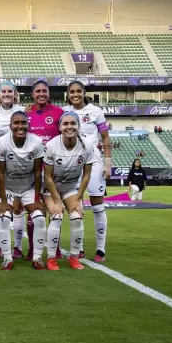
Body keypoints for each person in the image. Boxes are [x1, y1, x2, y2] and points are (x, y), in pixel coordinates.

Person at [65, 80, 112, 263]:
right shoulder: (65, 112)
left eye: (78, 91)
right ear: (68, 94)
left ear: (84, 92)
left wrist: (108, 162)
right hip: (72, 164)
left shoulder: (96, 111)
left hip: (94, 162)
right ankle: (80, 247)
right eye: (72, 92)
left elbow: (105, 137)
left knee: (97, 206)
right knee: (76, 204)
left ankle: (101, 249)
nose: (75, 94)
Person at [42, 111, 93, 271]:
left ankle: (74, 257)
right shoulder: (51, 145)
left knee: (77, 217)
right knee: (56, 217)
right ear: (59, 127)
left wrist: (78, 199)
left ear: (78, 126)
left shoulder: (87, 145)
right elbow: (48, 177)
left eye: (73, 123)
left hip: (71, 188)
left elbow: (86, 176)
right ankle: (51, 259)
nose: (69, 127)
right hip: (51, 189)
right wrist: (57, 201)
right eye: (65, 124)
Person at [0, 110, 44, 270]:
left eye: (23, 123)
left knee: (40, 219)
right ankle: (7, 258)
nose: (20, 126)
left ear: (28, 125)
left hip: (28, 188)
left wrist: (37, 199)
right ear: (10, 126)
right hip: (8, 188)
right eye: (16, 123)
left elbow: (38, 172)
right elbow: (0, 172)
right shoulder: (1, 142)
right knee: (4, 218)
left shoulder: (36, 142)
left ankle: (37, 258)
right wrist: (2, 200)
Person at [24, 80, 63, 261]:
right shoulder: (26, 113)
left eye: (44, 91)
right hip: (31, 169)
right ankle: (33, 249)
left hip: (52, 169)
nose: (41, 94)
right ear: (32, 94)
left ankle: (55, 249)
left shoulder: (58, 113)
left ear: (49, 93)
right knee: (34, 210)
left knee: (54, 209)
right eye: (38, 91)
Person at [0, 80, 23, 258]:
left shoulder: (23, 111)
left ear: (14, 94)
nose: (7, 94)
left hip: (19, 164)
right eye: (4, 92)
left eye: (10, 91)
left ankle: (17, 246)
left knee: (18, 206)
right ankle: (1, 246)